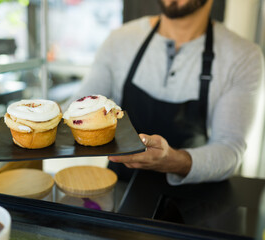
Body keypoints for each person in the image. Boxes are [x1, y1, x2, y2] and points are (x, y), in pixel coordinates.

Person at [66, 0, 264, 185]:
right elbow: (77, 110)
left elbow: (229, 150)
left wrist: (173, 161)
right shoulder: (120, 40)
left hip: (192, 205)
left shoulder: (243, 57)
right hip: (119, 192)